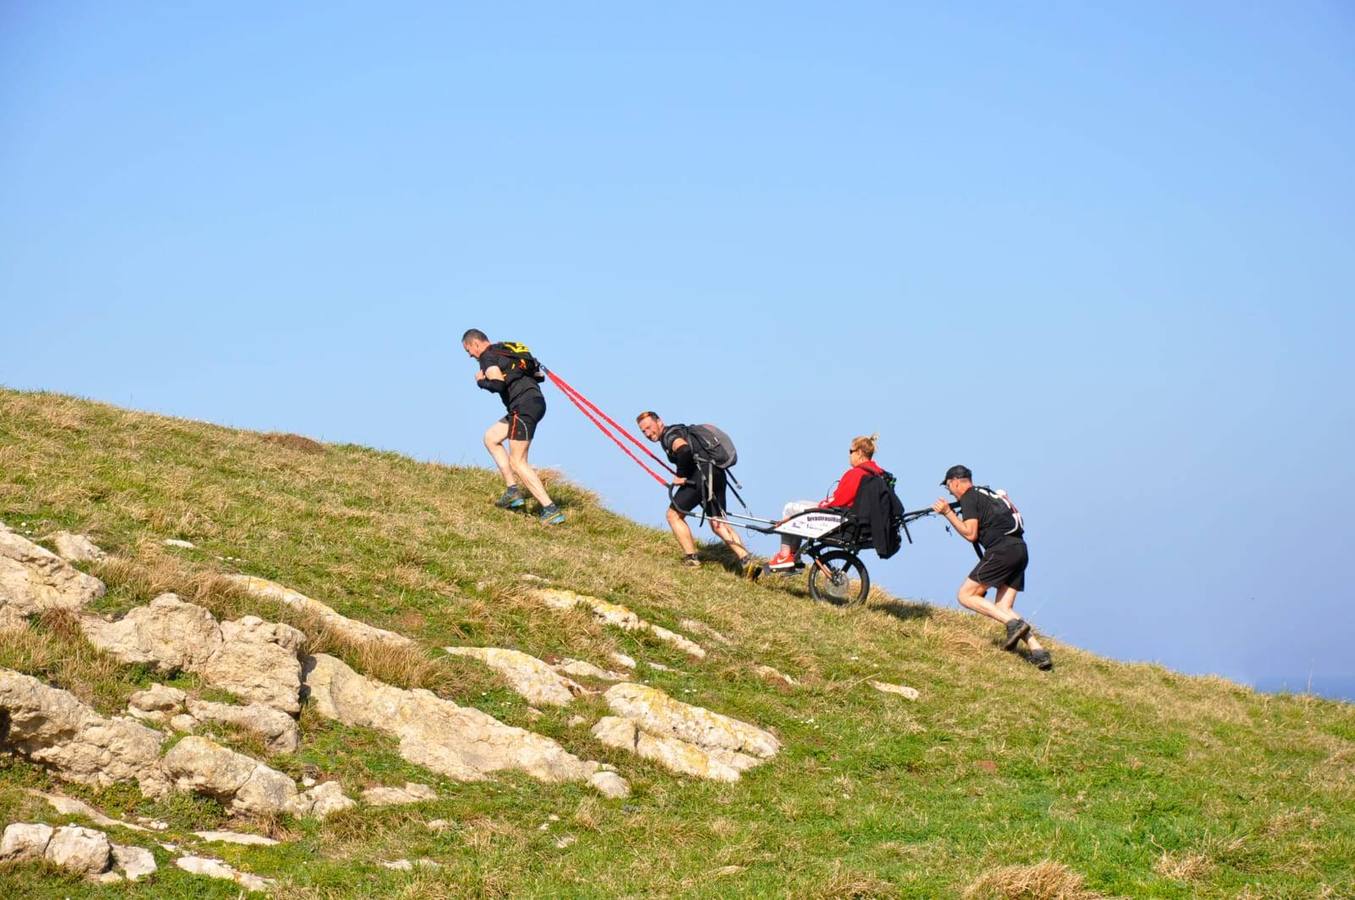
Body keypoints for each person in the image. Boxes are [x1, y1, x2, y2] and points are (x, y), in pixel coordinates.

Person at [932, 465, 1051, 669]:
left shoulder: (969, 496)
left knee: (965, 595)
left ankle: (1013, 624)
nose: (950, 491)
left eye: (949, 486)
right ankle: (1038, 651)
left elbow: (971, 534)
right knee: (1003, 607)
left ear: (956, 481)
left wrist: (948, 513)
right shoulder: (988, 493)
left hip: (1002, 550)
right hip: (1020, 549)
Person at [636, 411, 759, 577]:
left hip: (702, 476)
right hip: (717, 473)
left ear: (659, 422)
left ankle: (691, 559)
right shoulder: (679, 430)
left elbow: (684, 450)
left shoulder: (669, 436)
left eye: (649, 428)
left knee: (673, 515)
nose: (648, 434)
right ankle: (747, 561)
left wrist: (680, 475)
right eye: (643, 431)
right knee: (718, 522)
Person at [462, 329, 564, 525]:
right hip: (534, 402)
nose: (470, 356)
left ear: (475, 344)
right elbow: (537, 373)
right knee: (491, 438)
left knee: (518, 462)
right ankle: (512, 491)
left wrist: (481, 382)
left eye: (468, 350)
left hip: (522, 407)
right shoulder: (509, 347)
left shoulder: (487, 356)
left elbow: (498, 385)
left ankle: (550, 509)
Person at [765, 434, 885, 572]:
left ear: (859, 453)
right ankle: (793, 556)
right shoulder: (875, 474)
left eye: (850, 451)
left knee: (790, 508)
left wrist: (822, 505)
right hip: (851, 517)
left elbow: (839, 500)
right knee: (800, 504)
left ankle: (784, 556)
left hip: (839, 517)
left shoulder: (856, 473)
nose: (849, 455)